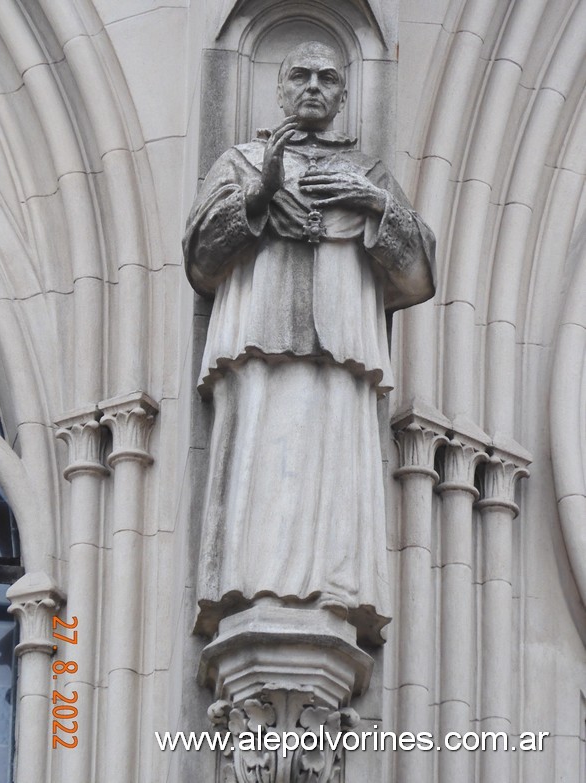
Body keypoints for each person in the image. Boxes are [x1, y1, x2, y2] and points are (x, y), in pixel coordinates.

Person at [183, 41, 435, 646]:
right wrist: (260, 195)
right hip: (260, 344)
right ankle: (253, 585)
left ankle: (334, 588)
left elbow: (418, 271)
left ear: (344, 95)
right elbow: (201, 256)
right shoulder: (243, 162)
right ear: (280, 87)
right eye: (300, 75)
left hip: (342, 354)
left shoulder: (368, 173)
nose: (314, 86)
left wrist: (374, 204)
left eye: (328, 77)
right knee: (264, 458)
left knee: (332, 463)